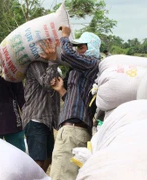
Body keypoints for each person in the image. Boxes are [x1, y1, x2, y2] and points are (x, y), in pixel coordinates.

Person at [48, 27, 101, 180]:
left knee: (60, 176)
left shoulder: (91, 63)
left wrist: (65, 36)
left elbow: (66, 53)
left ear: (91, 47)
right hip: (76, 131)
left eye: (82, 47)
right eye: (77, 47)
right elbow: (79, 102)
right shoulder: (83, 69)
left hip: (72, 132)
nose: (78, 50)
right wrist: (61, 91)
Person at [21, 40, 61, 172]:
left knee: (48, 158)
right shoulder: (36, 65)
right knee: (37, 161)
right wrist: (53, 61)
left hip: (46, 121)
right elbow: (47, 83)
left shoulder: (52, 67)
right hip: (36, 119)